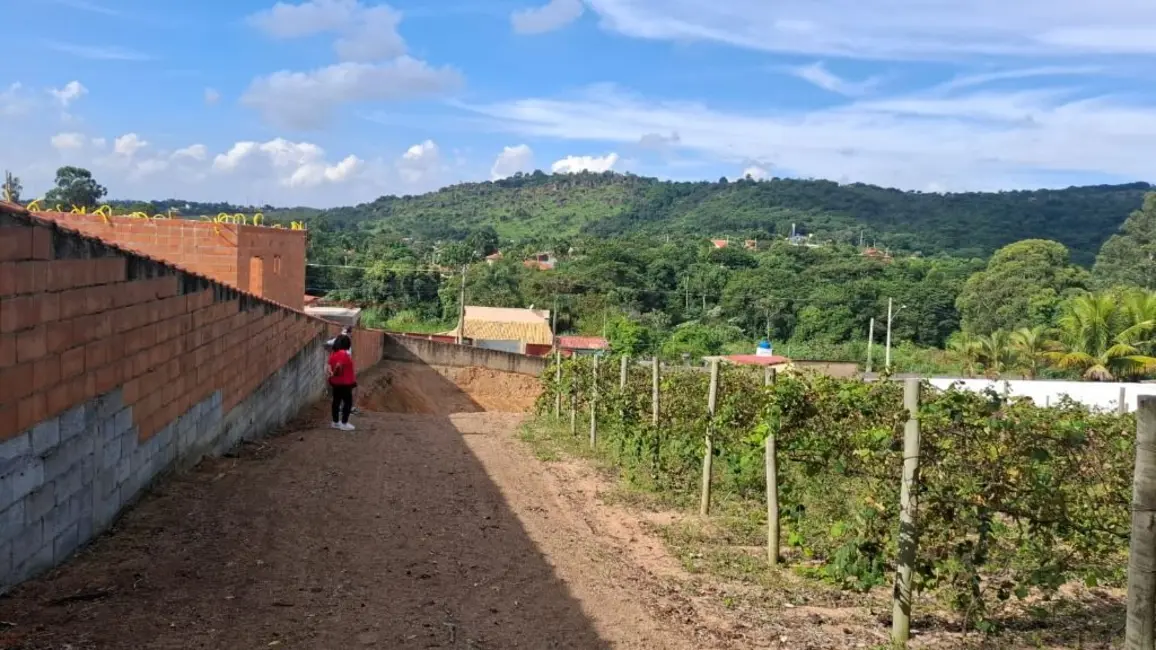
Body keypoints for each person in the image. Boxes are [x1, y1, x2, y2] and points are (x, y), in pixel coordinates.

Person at [327, 335, 357, 431]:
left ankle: (335, 422)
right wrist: (335, 373)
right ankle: (344, 423)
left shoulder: (333, 353)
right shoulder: (343, 353)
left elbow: (328, 366)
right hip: (344, 382)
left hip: (336, 382)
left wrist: (331, 374)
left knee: (336, 401)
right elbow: (338, 366)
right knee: (348, 402)